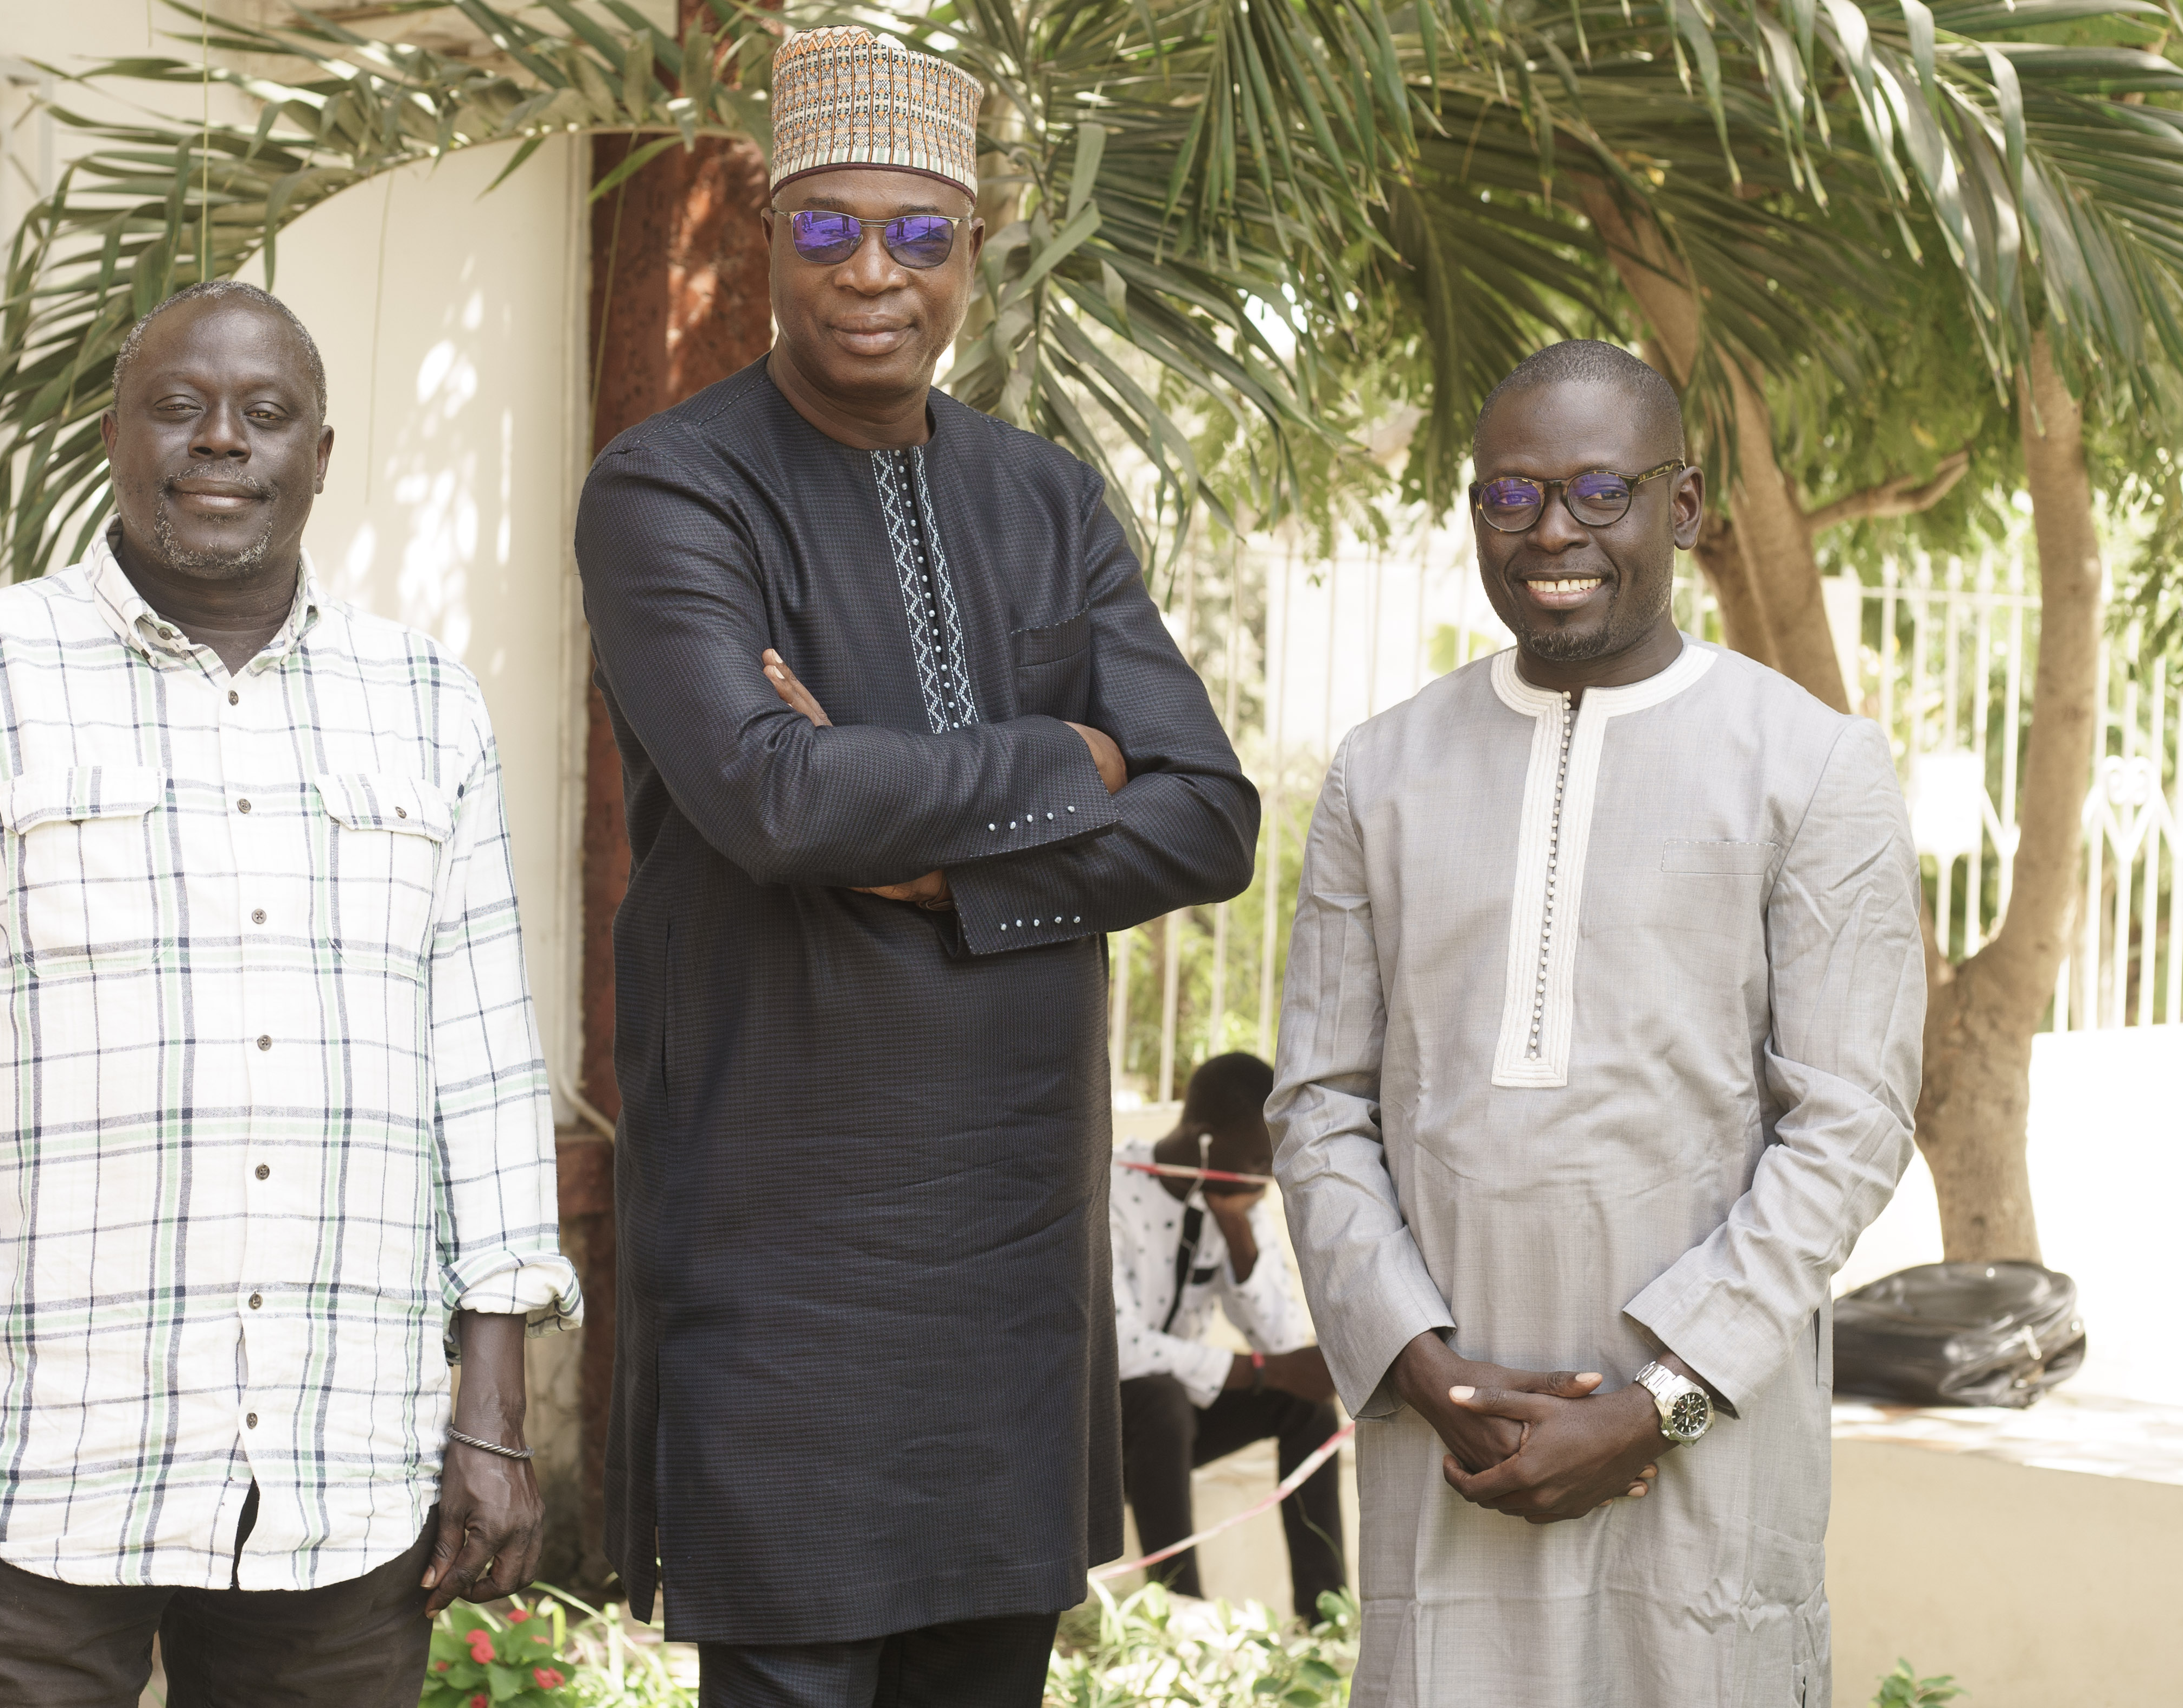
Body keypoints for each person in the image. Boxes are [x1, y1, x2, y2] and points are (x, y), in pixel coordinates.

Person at [573, 25, 1260, 1708]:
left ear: (974, 246)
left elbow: (1208, 814)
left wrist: (947, 874)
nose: (869, 272)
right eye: (825, 227)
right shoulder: (670, 487)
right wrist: (1068, 756)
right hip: (782, 1245)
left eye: (916, 233)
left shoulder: (1047, 500)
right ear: (769, 238)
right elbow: (772, 798)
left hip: (1011, 1252)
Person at [0, 279, 578, 1705]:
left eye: (264, 413)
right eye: (179, 406)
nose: (222, 439)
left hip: (344, 1465)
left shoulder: (425, 702)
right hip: (39, 1466)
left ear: (320, 455)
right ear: (116, 435)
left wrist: (493, 1414)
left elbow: (482, 1076)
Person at [1268, 338, 1924, 1706]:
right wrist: (1418, 1364)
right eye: (1511, 496)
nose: (1552, 531)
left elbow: (1849, 1127)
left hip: (1703, 1444)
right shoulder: (1380, 772)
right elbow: (1319, 1101)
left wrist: (1655, 1403)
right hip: (1454, 1434)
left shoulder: (1810, 763)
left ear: (1680, 506)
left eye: (1597, 491)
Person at [1110, 1052, 1345, 1624]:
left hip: (1177, 1427)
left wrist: (1237, 1231)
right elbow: (1119, 1348)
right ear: (1204, 1140)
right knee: (1162, 1396)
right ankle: (1179, 1612)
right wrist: (1264, 1369)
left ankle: (1326, 1616)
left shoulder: (1234, 1196)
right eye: (1258, 1160)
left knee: (1305, 1405)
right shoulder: (1110, 1189)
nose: (1265, 1178)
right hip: (1100, 1430)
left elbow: (1283, 1341)